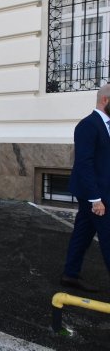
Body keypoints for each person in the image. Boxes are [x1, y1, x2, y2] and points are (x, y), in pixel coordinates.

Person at [61, 83, 110, 292]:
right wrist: (95, 199)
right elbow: (84, 163)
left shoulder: (106, 125)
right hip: (96, 195)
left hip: (101, 191)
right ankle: (70, 274)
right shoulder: (88, 125)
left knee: (82, 233)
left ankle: (70, 275)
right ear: (105, 100)